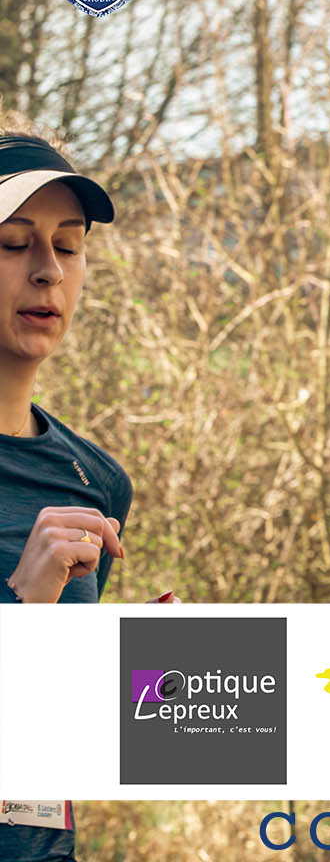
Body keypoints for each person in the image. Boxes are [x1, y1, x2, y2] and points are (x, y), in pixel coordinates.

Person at [0, 114, 128, 862]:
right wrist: (24, 605)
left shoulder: (97, 484)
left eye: (68, 245)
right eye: (12, 243)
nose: (48, 269)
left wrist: (137, 683)